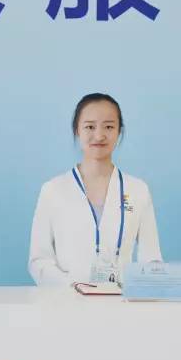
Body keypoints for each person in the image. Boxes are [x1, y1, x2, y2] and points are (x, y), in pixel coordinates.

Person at [29, 93, 162, 286]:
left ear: (119, 131)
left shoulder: (138, 190)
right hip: (67, 299)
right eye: (90, 127)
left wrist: (152, 282)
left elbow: (151, 258)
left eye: (109, 127)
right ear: (77, 130)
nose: (99, 136)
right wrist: (73, 286)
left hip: (122, 301)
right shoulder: (53, 190)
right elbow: (39, 261)